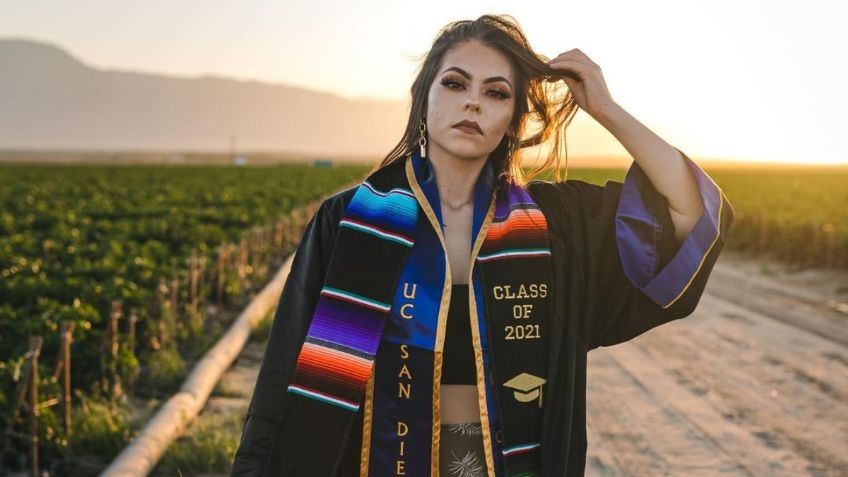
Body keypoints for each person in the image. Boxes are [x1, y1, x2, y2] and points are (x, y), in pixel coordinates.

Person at [230, 14, 734, 477]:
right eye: (455, 84)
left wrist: (605, 108)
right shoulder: (352, 222)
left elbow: (687, 212)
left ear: (513, 119)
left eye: (496, 93)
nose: (473, 102)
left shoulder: (554, 227)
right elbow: (286, 374)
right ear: (424, 96)